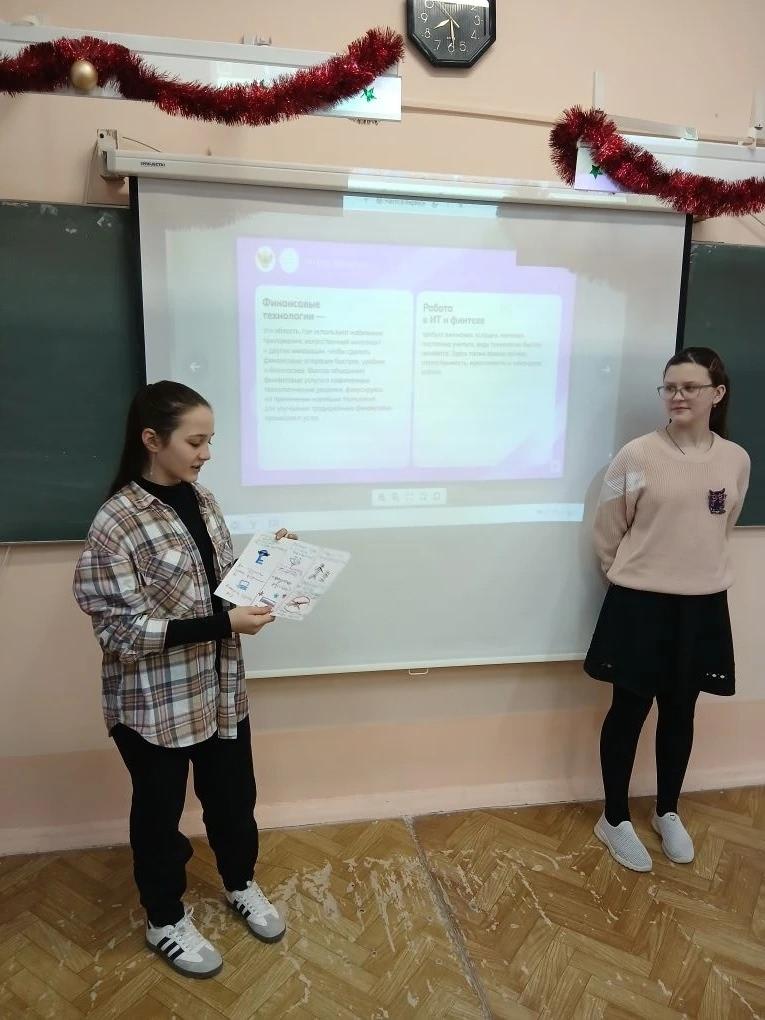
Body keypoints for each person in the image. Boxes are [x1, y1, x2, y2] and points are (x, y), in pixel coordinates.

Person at [74, 381, 294, 978]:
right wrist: (224, 623)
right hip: (154, 704)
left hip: (220, 689)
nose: (206, 453)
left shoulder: (203, 499)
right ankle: (164, 919)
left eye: (210, 441)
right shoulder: (116, 522)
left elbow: (218, 584)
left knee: (234, 802)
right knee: (159, 817)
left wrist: (267, 562)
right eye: (196, 441)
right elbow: (120, 630)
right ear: (152, 439)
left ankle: (240, 882)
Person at [585, 347, 750, 872]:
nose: (677, 396)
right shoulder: (636, 456)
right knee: (629, 711)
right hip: (640, 606)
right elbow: (608, 531)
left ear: (716, 394)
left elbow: (722, 526)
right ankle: (614, 817)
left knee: (681, 710)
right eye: (670, 387)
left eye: (689, 387)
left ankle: (667, 810)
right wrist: (635, 580)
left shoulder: (736, 459)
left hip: (702, 607)